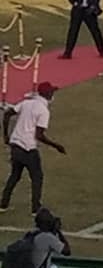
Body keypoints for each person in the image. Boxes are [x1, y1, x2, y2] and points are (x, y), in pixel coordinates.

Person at [1, 83, 66, 214]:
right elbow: (39, 135)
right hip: (28, 148)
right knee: (37, 177)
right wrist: (56, 146)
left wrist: (6, 136)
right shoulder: (43, 110)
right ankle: (35, 208)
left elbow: (8, 114)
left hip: (16, 144)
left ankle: (3, 203)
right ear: (48, 95)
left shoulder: (27, 103)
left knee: (15, 175)